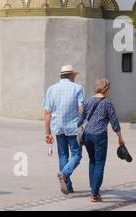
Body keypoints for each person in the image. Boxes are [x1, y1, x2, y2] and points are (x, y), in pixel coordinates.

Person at [76, 79, 125, 203]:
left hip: (87, 135)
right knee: (99, 163)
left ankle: (94, 188)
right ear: (106, 89)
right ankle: (94, 194)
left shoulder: (88, 101)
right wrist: (120, 137)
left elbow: (80, 120)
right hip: (100, 136)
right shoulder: (107, 103)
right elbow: (114, 122)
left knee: (92, 161)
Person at [43, 64, 85, 194]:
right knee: (77, 155)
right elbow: (81, 109)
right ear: (71, 76)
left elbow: (47, 113)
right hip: (73, 127)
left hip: (58, 127)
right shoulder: (78, 88)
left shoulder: (51, 89)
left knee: (63, 155)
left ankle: (68, 185)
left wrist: (47, 132)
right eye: (74, 76)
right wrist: (84, 124)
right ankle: (65, 174)